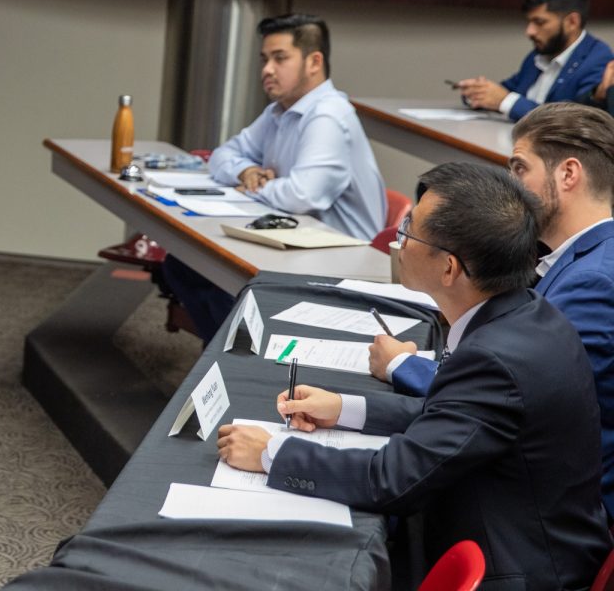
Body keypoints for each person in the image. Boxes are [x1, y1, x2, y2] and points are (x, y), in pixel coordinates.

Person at [217, 162, 612, 589]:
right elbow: (455, 417)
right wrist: (345, 408)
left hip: (515, 568)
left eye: (410, 230)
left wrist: (273, 453)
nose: (399, 240)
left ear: (450, 269)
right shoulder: (527, 314)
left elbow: (394, 480)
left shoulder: (496, 357)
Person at [369, 102, 614, 517]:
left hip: (541, 508)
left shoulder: (596, 280)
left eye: (520, 168)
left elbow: (513, 392)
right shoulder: (572, 260)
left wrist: (403, 367)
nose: (510, 186)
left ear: (568, 174)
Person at [160, 14, 387, 341]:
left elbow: (303, 196)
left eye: (280, 58)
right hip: (292, 243)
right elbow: (222, 155)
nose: (267, 69)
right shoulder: (279, 111)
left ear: (314, 61)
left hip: (339, 264)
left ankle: (241, 364)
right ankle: (225, 363)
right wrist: (247, 171)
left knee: (225, 280)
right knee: (185, 266)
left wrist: (256, 188)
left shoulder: (328, 115)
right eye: (264, 59)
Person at [456, 0, 611, 121]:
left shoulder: (598, 59)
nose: (529, 31)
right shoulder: (540, 54)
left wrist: (505, 101)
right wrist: (478, 92)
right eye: (529, 22)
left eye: (539, 22)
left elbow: (573, 121)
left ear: (572, 22)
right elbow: (508, 89)